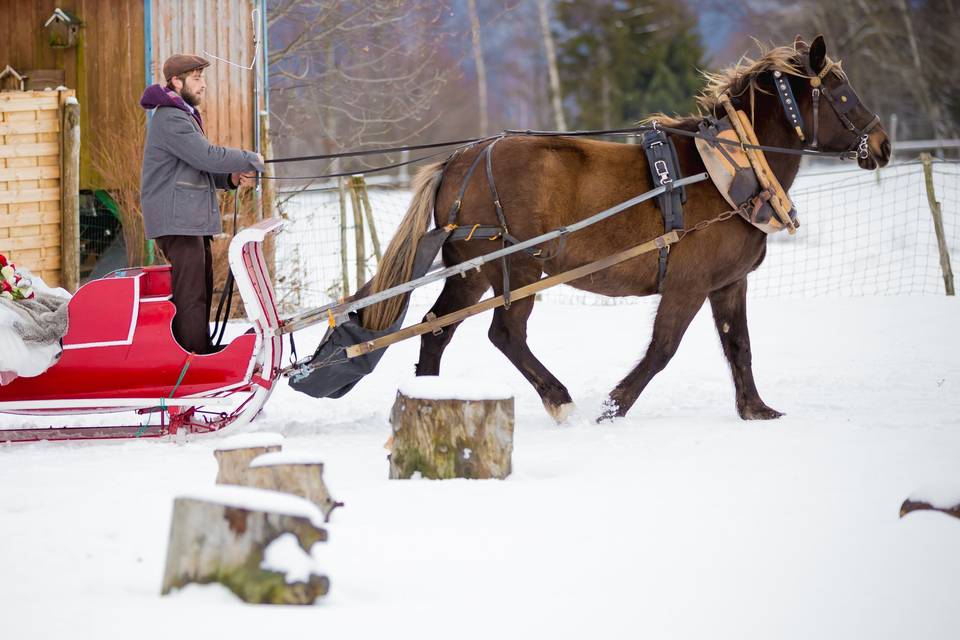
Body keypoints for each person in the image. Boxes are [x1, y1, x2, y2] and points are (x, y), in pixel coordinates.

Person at [139, 54, 264, 354]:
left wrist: (229, 180)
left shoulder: (182, 114)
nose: (203, 84)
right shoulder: (170, 118)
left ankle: (199, 348)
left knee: (201, 287)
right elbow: (206, 156)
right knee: (191, 292)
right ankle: (192, 357)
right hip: (176, 219)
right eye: (196, 78)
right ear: (176, 81)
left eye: (202, 78)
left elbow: (196, 168)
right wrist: (248, 158)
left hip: (188, 218)